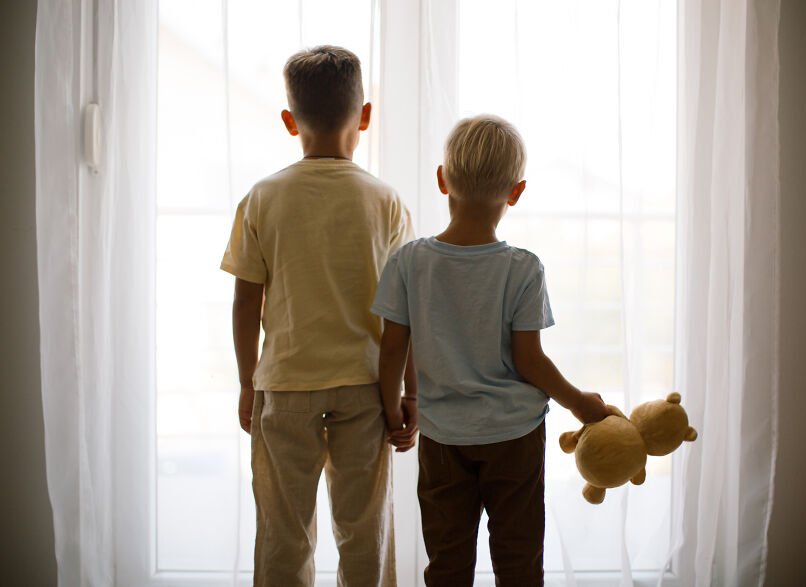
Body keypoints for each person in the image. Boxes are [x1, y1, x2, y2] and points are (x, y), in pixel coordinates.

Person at [371, 115, 610, 586]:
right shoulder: (523, 269)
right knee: (519, 560)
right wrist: (580, 403)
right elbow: (530, 360)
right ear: (516, 192)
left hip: (443, 438)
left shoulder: (409, 262)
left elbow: (393, 349)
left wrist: (395, 410)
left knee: (448, 562)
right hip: (514, 438)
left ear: (443, 180)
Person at [220, 45, 416, 587]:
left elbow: (245, 302)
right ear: (366, 116)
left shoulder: (262, 197)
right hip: (366, 387)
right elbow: (406, 313)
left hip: (283, 386)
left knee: (283, 531)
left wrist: (246, 383)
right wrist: (410, 394)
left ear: (290, 121)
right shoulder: (386, 201)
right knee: (366, 532)